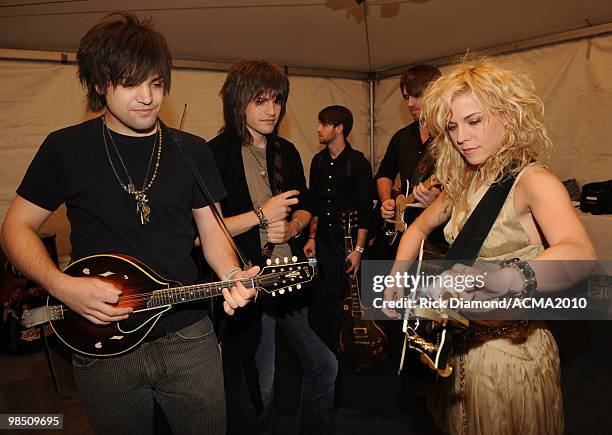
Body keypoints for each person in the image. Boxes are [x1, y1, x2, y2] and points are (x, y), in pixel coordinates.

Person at [0, 13, 257, 435]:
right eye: (132, 83)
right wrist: (60, 285)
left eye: (156, 83)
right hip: (102, 344)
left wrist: (231, 274)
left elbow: (213, 234)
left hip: (187, 335)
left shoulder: (190, 150)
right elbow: (15, 229)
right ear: (101, 82)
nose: (148, 97)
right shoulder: (66, 148)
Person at [383, 58, 595, 434]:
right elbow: (415, 228)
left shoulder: (534, 181)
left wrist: (503, 279)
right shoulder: (460, 182)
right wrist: (396, 283)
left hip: (511, 358)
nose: (461, 136)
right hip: (456, 355)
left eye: (474, 121)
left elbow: (580, 254)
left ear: (508, 117)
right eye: (452, 126)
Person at [208, 60, 337, 435]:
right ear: (238, 102)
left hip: (291, 277)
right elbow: (206, 232)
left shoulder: (286, 151)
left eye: (277, 100)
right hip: (248, 283)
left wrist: (294, 225)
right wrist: (261, 217)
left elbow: (306, 203)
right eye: (260, 100)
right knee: (261, 382)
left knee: (325, 365)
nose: (271, 110)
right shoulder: (216, 153)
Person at [303, 105, 373, 351]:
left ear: (339, 128)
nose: (318, 129)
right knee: (330, 295)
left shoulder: (358, 163)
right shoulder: (318, 161)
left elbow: (366, 210)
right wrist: (311, 237)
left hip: (350, 242)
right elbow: (315, 204)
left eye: (324, 124)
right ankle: (338, 345)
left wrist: (359, 250)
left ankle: (360, 344)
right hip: (324, 240)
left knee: (354, 297)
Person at [374, 65, 443, 249]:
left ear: (436, 93)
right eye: (406, 97)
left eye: (417, 96)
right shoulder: (401, 137)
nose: (410, 103)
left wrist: (440, 200)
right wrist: (387, 200)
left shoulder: (452, 136)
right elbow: (384, 174)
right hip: (401, 232)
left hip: (438, 239)